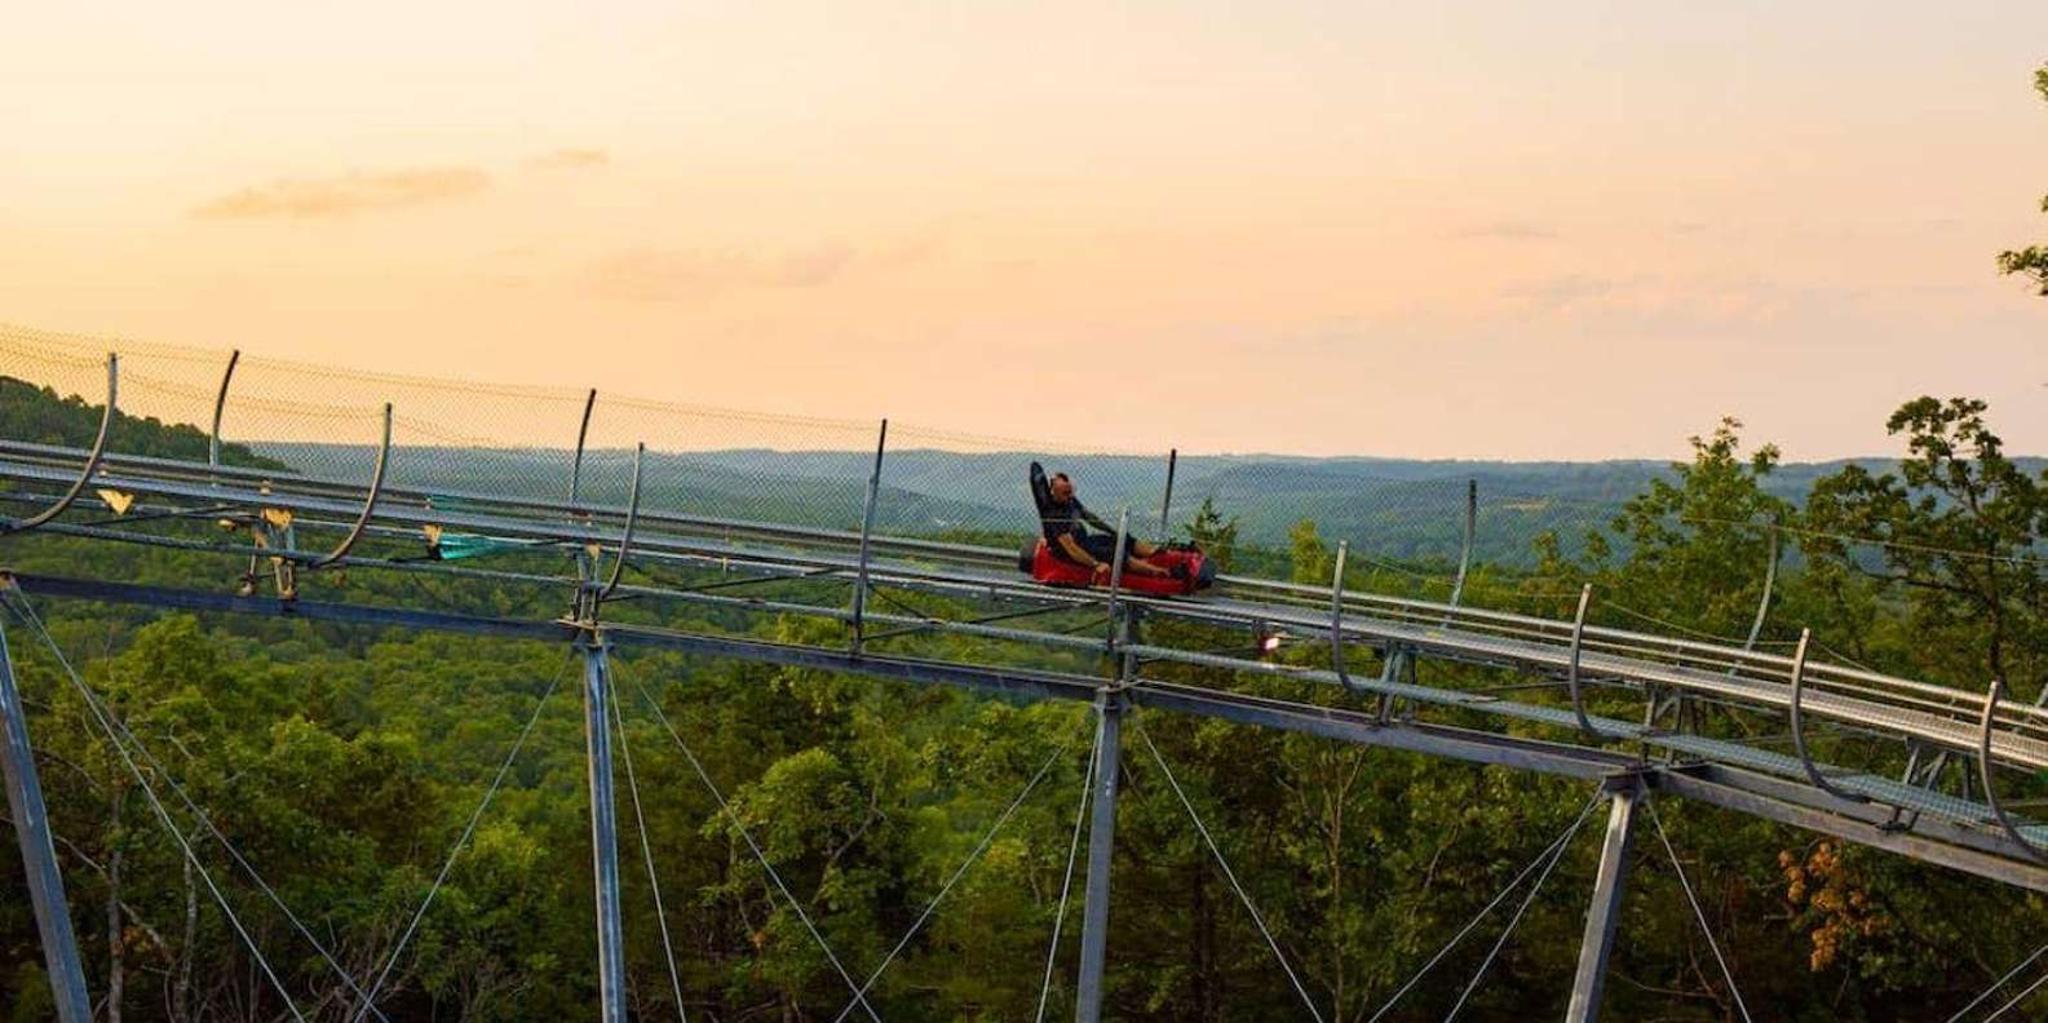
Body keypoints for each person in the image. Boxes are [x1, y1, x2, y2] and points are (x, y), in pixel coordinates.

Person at [1036, 468, 1180, 582]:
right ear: (1053, 493)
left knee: (1123, 540)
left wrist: (1114, 532)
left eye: (1070, 492)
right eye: (1065, 494)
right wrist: (1095, 564)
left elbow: (1091, 518)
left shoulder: (1070, 500)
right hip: (1074, 551)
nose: (1070, 496)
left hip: (1084, 542)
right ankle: (1161, 572)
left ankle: (1158, 554)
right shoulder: (1054, 514)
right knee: (1113, 554)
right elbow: (1071, 549)